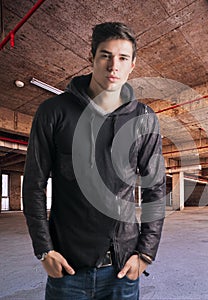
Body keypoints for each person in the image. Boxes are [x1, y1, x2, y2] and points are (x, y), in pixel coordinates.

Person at [23, 22, 166, 300]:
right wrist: (43, 249)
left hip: (121, 269)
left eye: (123, 58)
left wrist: (146, 254)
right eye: (105, 55)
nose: (114, 66)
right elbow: (33, 184)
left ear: (132, 65)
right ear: (92, 58)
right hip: (67, 269)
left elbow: (155, 188)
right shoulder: (54, 112)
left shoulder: (144, 119)